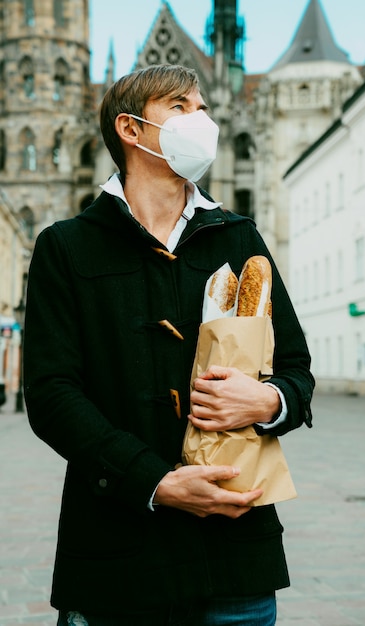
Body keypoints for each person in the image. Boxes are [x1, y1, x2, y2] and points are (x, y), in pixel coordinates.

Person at [23, 64, 314, 626]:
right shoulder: (66, 247)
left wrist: (270, 401)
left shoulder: (239, 236)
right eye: (180, 107)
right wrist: (154, 481)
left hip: (236, 557)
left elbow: (296, 366)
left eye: (202, 107)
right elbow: (52, 395)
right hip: (117, 558)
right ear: (130, 131)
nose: (200, 119)